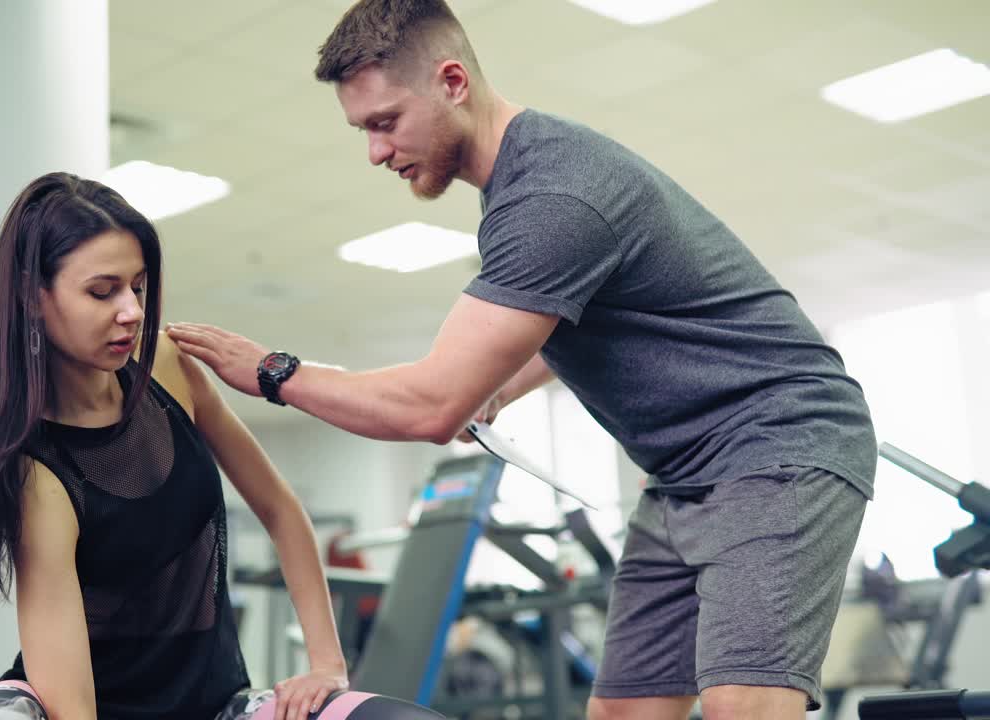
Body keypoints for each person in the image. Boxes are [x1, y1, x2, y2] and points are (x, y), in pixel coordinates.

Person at [165, 2, 877, 718]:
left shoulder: (552, 196)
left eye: (384, 122)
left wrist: (273, 373)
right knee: (621, 714)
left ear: (451, 82)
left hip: (776, 445)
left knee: (741, 708)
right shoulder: (520, 190)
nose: (375, 152)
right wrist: (500, 387)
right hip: (685, 474)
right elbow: (584, 320)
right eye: (363, 130)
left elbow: (429, 406)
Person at [0, 172, 444, 720]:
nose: (132, 311)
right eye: (102, 291)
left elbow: (280, 509)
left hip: (216, 704)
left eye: (137, 287)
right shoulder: (36, 476)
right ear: (32, 296)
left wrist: (327, 663)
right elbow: (72, 708)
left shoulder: (167, 366)